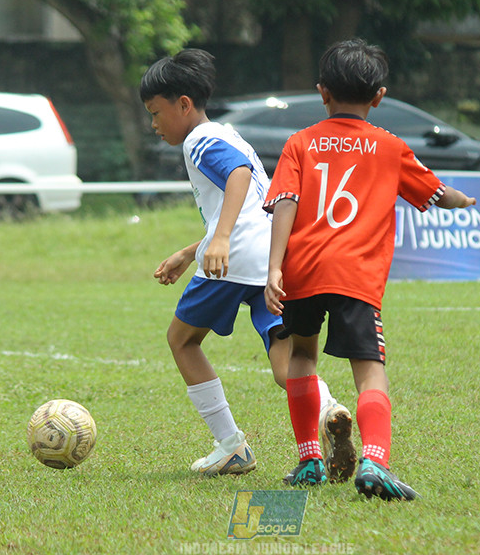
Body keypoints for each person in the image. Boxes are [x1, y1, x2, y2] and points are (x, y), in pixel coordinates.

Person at [264, 39, 477, 500]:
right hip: (355, 276)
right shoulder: (390, 146)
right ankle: (376, 462)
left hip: (300, 270)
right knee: (369, 370)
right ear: (379, 96)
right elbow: (437, 194)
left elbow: (285, 202)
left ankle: (309, 459)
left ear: (322, 92)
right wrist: (463, 199)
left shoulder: (299, 143)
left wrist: (274, 268)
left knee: (302, 355)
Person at [139, 49, 352, 478]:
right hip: (272, 257)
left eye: (156, 113)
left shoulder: (199, 141)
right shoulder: (230, 133)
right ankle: (328, 408)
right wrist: (190, 251)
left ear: (184, 104)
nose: (154, 124)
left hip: (234, 261)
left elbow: (236, 176)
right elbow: (253, 204)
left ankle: (231, 445)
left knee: (182, 340)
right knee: (284, 362)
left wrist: (219, 240)